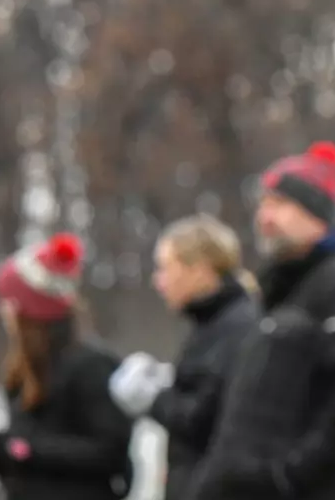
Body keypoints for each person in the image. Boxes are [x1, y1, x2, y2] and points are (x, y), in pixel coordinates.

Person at [190, 141, 335, 500]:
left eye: (280, 204)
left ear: (317, 212)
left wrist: (292, 474)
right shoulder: (284, 293)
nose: (264, 218)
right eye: (263, 205)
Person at [108, 213, 261, 500]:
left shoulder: (236, 328)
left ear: (200, 270)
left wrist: (152, 398)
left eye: (165, 268)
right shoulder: (212, 324)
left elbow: (206, 418)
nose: (158, 281)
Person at [0, 232, 136, 500]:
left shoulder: (91, 366)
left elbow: (110, 453)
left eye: (9, 302)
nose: (3, 311)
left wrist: (27, 450)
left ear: (29, 311)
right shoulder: (26, 370)